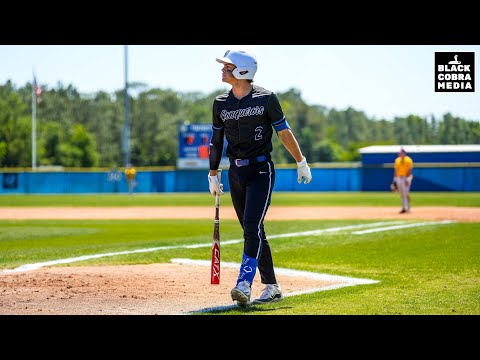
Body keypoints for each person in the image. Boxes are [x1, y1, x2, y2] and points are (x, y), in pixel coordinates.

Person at [207, 49, 312, 307]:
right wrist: (212, 172)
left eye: (227, 66)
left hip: (261, 171)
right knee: (253, 229)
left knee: (252, 227)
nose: (222, 70)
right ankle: (272, 286)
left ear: (242, 71)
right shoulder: (221, 103)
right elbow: (216, 141)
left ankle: (244, 283)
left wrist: (301, 161)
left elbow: (284, 133)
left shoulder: (266, 98)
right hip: (235, 172)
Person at [393, 148, 413, 213]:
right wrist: (394, 180)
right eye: (399, 153)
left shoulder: (408, 160)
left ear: (404, 153)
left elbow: (409, 171)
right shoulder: (397, 160)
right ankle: (404, 208)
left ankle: (408, 207)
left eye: (401, 153)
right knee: (401, 193)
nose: (399, 154)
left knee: (406, 193)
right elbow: (396, 171)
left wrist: (408, 179)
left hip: (406, 177)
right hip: (399, 178)